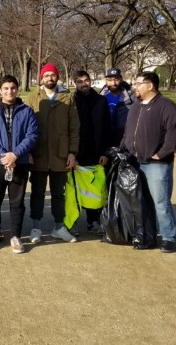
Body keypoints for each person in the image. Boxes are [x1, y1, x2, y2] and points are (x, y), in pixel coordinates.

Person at [121, 71, 176, 253]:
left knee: (160, 202)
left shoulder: (166, 106)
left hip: (157, 164)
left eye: (138, 83)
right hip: (136, 161)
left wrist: (162, 153)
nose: (134, 87)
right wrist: (122, 148)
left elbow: (174, 133)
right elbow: (128, 132)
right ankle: (149, 234)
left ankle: (168, 236)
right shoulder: (136, 106)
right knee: (144, 202)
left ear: (150, 86)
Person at [0, 75, 38, 253]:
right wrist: (3, 156)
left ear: (17, 89)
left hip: (19, 162)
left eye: (12, 88)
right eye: (5, 88)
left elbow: (32, 135)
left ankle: (15, 236)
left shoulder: (26, 111)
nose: (9, 91)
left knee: (17, 201)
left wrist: (15, 154)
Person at [24, 63, 80, 244]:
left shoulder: (68, 98)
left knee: (59, 194)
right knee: (37, 193)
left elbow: (74, 128)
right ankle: (36, 227)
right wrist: (28, 152)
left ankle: (59, 227)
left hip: (61, 155)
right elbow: (25, 128)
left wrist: (72, 152)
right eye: (46, 75)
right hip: (38, 154)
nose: (50, 78)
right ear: (41, 78)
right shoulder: (32, 98)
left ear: (58, 77)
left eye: (53, 75)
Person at [72, 70, 112, 235]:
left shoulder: (100, 101)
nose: (84, 84)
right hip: (76, 152)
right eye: (80, 81)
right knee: (73, 189)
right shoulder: (71, 101)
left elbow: (106, 128)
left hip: (95, 152)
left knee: (95, 190)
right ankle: (71, 221)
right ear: (75, 83)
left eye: (86, 80)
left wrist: (104, 152)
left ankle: (93, 220)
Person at [100, 68, 134, 147]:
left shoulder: (131, 98)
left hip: (123, 140)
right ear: (106, 80)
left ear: (121, 79)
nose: (113, 83)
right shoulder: (101, 97)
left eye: (116, 79)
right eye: (110, 80)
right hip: (105, 139)